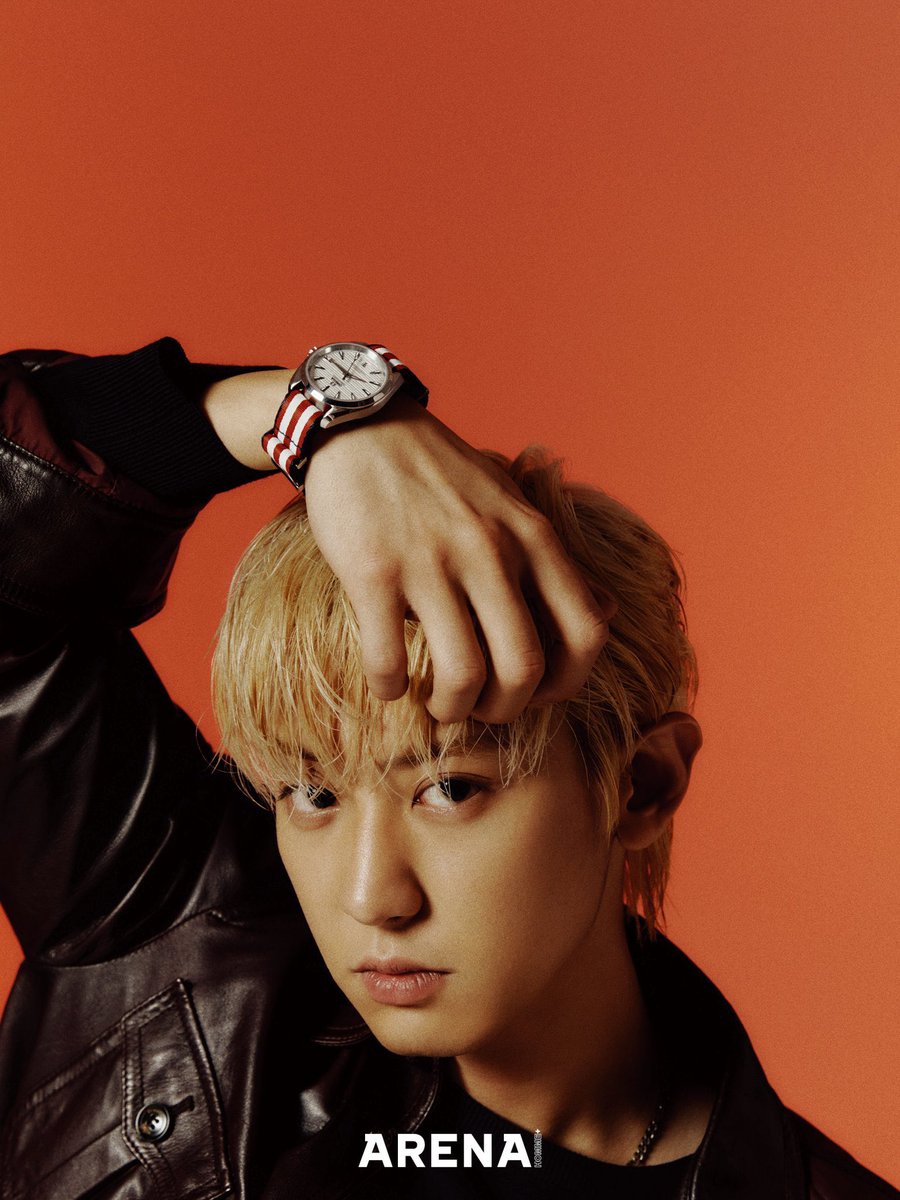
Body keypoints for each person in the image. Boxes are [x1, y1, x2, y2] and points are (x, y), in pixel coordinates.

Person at [0, 339, 894, 1199]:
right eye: (312, 794)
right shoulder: (176, 951)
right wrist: (321, 419)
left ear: (641, 787)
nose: (371, 897)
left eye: (450, 789)